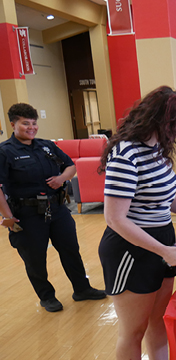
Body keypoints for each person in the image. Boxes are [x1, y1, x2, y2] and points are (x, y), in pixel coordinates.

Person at [98, 86, 176, 360]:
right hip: (131, 249)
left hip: (161, 241)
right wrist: (163, 250)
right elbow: (114, 218)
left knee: (159, 321)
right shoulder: (126, 154)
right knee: (133, 331)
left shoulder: (158, 151)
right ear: (160, 120)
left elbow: (166, 199)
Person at [0, 103, 106, 313]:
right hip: (26, 215)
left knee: (71, 251)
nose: (31, 127)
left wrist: (62, 178)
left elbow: (70, 165)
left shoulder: (46, 146)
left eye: (34, 123)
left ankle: (82, 289)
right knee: (35, 259)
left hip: (57, 210)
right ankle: (47, 296)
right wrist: (7, 217)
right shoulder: (5, 152)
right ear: (13, 124)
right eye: (25, 123)